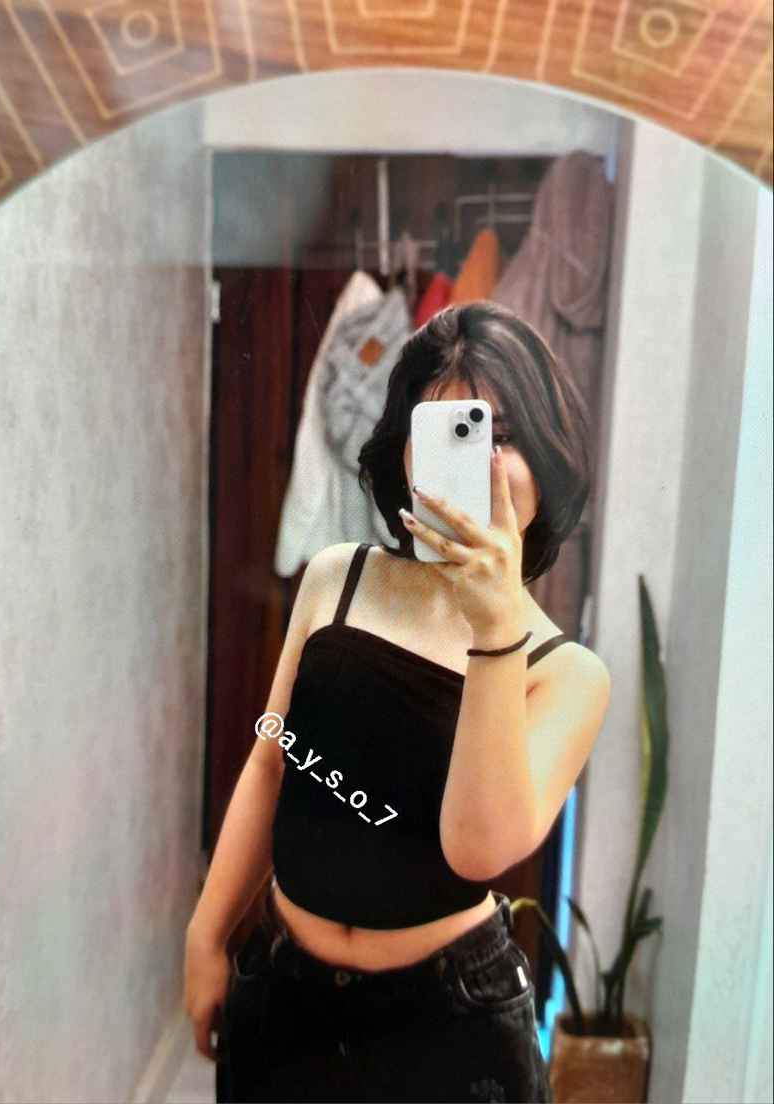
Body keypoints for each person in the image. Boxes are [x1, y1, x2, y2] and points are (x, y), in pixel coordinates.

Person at [184, 302, 611, 1103]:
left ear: (550, 457)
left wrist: (494, 629)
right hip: (284, 997)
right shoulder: (335, 578)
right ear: (406, 450)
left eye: (499, 434)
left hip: (450, 1026)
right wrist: (207, 935)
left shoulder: (568, 672)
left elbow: (478, 853)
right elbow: (273, 762)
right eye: (446, 432)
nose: (478, 463)